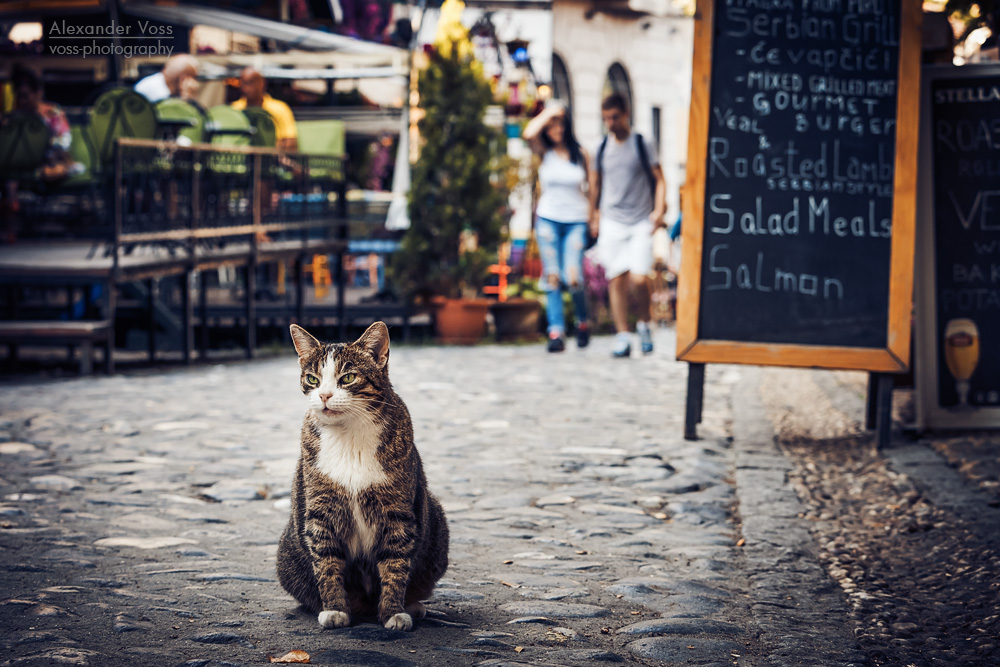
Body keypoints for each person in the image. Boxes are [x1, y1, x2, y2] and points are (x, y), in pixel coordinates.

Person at [588, 93, 666, 358]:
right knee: (616, 279)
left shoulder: (643, 143)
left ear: (626, 113)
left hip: (640, 220)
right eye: (606, 118)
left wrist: (658, 210)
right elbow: (595, 186)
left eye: (615, 117)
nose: (610, 123)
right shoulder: (600, 149)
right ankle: (622, 335)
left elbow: (660, 180)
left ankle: (644, 323)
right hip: (612, 221)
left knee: (639, 278)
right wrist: (594, 216)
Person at [522, 101, 592, 352]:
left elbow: (593, 189)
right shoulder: (544, 151)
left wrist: (594, 218)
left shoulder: (582, 154)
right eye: (551, 125)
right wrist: (551, 110)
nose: (555, 128)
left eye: (559, 123)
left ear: (567, 125)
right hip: (548, 219)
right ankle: (556, 332)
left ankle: (583, 323)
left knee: (574, 278)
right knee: (552, 277)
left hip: (576, 221)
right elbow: (528, 132)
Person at [231, 67, 298, 152]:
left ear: (262, 83)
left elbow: (291, 142)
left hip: (274, 160)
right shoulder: (234, 109)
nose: (246, 88)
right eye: (244, 83)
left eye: (251, 82)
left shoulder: (280, 108)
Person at [134, 54, 200, 103]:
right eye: (193, 77)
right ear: (183, 77)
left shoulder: (160, 80)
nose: (194, 82)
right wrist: (186, 97)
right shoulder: (160, 92)